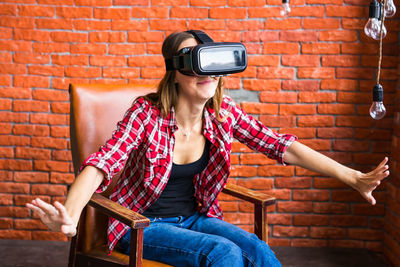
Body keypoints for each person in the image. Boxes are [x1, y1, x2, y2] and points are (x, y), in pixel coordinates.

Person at [26, 31, 389, 267]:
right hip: (140, 225)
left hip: (196, 219)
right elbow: (102, 164)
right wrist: (70, 217)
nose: (205, 69)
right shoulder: (146, 113)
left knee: (257, 250)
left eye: (209, 58)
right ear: (175, 70)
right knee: (224, 253)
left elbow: (282, 146)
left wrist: (352, 177)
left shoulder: (223, 113)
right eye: (192, 59)